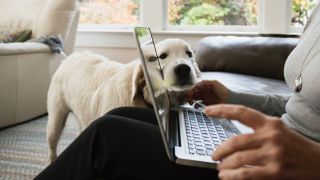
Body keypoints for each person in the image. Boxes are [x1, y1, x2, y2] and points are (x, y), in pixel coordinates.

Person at [35, 4, 320, 180]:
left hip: (289, 165)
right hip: (269, 141)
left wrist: (313, 160)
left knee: (105, 135)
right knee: (120, 115)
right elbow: (300, 101)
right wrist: (231, 97)